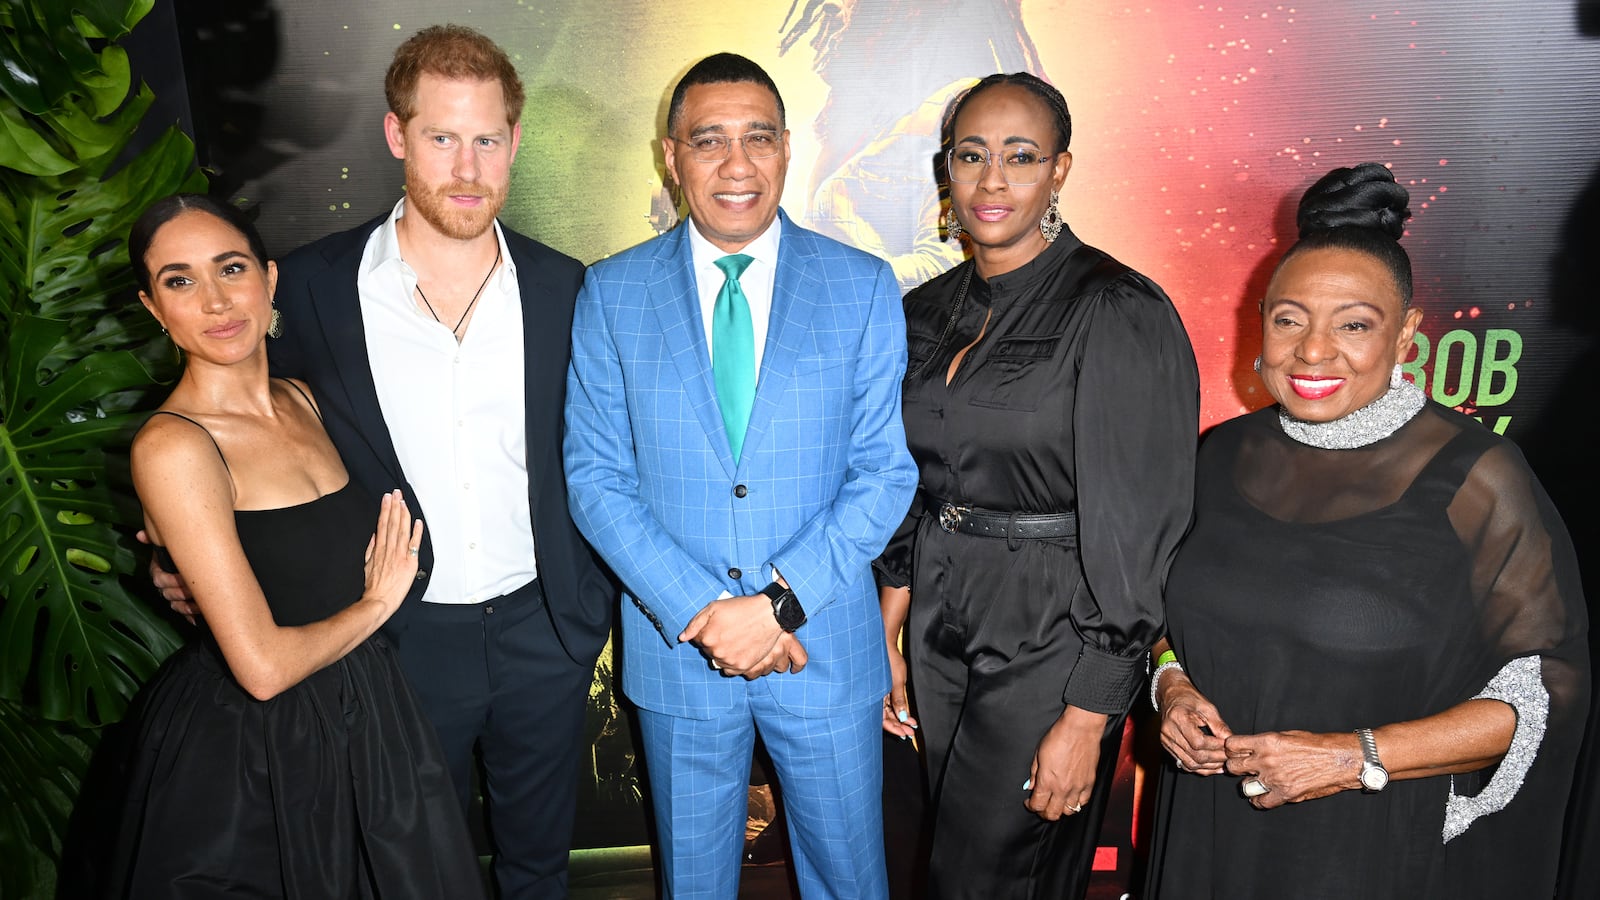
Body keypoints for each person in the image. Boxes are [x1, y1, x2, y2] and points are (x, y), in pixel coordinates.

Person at [151, 25, 614, 898]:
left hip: (546, 631)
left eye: (487, 139)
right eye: (442, 138)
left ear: (514, 141)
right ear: (398, 137)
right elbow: (241, 435)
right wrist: (176, 555)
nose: (467, 168)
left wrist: (579, 618)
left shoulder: (567, 288)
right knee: (397, 872)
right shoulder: (314, 288)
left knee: (539, 869)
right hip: (397, 639)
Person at [1145, 163, 1590, 899]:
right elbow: (1158, 617)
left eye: (1354, 324)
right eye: (1290, 319)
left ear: (1408, 334)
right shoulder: (1220, 454)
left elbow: (1544, 690)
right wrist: (1172, 686)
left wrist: (1355, 758)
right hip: (1206, 833)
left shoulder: (1476, 475)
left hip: (1364, 850)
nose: (1314, 352)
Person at [563, 52, 918, 899]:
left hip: (822, 647)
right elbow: (595, 478)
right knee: (694, 884)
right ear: (670, 155)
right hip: (677, 651)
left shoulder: (863, 286)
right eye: (709, 140)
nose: (736, 165)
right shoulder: (611, 293)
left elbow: (883, 474)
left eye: (758, 138)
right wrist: (700, 611)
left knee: (850, 881)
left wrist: (775, 608)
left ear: (788, 148)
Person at [873, 72, 1199, 899]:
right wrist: (893, 614)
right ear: (945, 169)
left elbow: (1139, 528)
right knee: (955, 865)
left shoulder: (1117, 309)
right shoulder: (923, 312)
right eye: (971, 155)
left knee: (991, 877)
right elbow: (912, 474)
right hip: (943, 616)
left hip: (1052, 628)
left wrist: (1089, 714)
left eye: (1020, 157)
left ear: (1060, 170)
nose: (991, 180)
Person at [107, 195, 485, 898]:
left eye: (231, 268)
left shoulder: (304, 401)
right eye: (179, 281)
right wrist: (377, 604)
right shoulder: (173, 446)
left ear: (269, 280)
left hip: (371, 725)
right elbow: (261, 669)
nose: (216, 300)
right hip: (258, 757)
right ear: (153, 308)